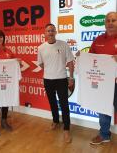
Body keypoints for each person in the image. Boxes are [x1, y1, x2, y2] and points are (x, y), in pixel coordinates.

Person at [76, 12, 117, 145]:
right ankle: (104, 134)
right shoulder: (98, 40)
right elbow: (91, 58)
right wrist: (81, 57)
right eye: (108, 20)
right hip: (103, 83)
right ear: (105, 23)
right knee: (103, 109)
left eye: (114, 20)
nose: (110, 23)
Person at [37, 23, 75, 143]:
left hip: (61, 79)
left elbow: (70, 62)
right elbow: (41, 63)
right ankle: (55, 121)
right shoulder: (41, 48)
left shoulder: (63, 45)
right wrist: (50, 70)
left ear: (56, 32)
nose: (50, 33)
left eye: (52, 30)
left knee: (64, 104)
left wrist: (71, 77)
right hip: (48, 79)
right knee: (52, 102)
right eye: (48, 31)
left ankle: (66, 129)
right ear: (45, 33)